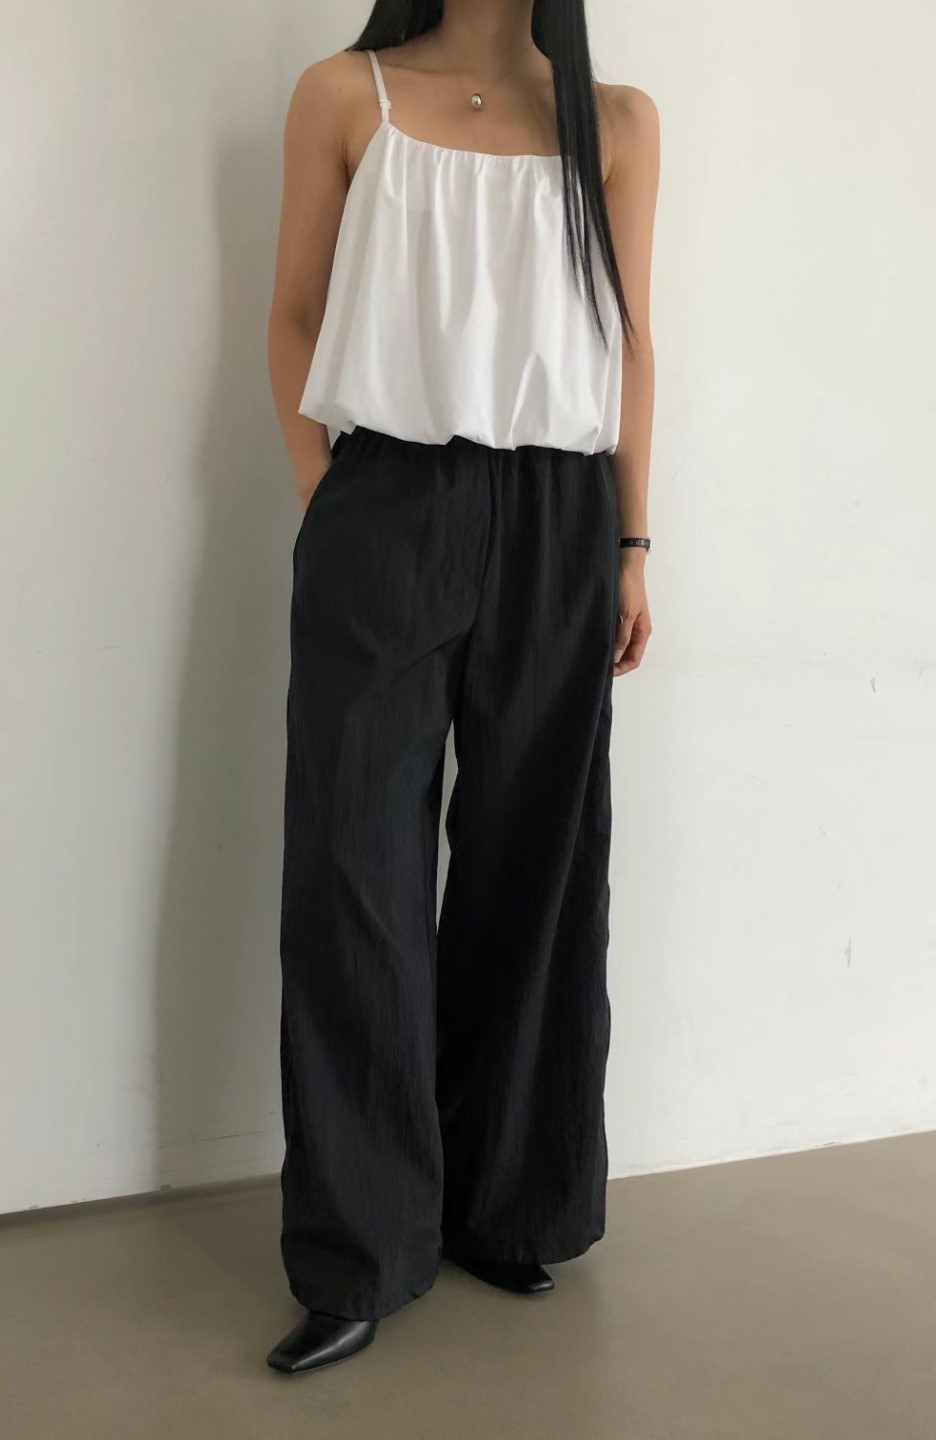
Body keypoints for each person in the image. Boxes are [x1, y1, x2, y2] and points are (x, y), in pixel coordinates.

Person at [265, 0, 658, 1376]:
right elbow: (295, 316)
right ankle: (362, 1247)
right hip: (389, 497)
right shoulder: (343, 94)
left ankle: (506, 1203)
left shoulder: (614, 122)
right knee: (353, 869)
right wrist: (333, 506)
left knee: (534, 861)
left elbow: (632, 340)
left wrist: (632, 546)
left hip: (561, 513)